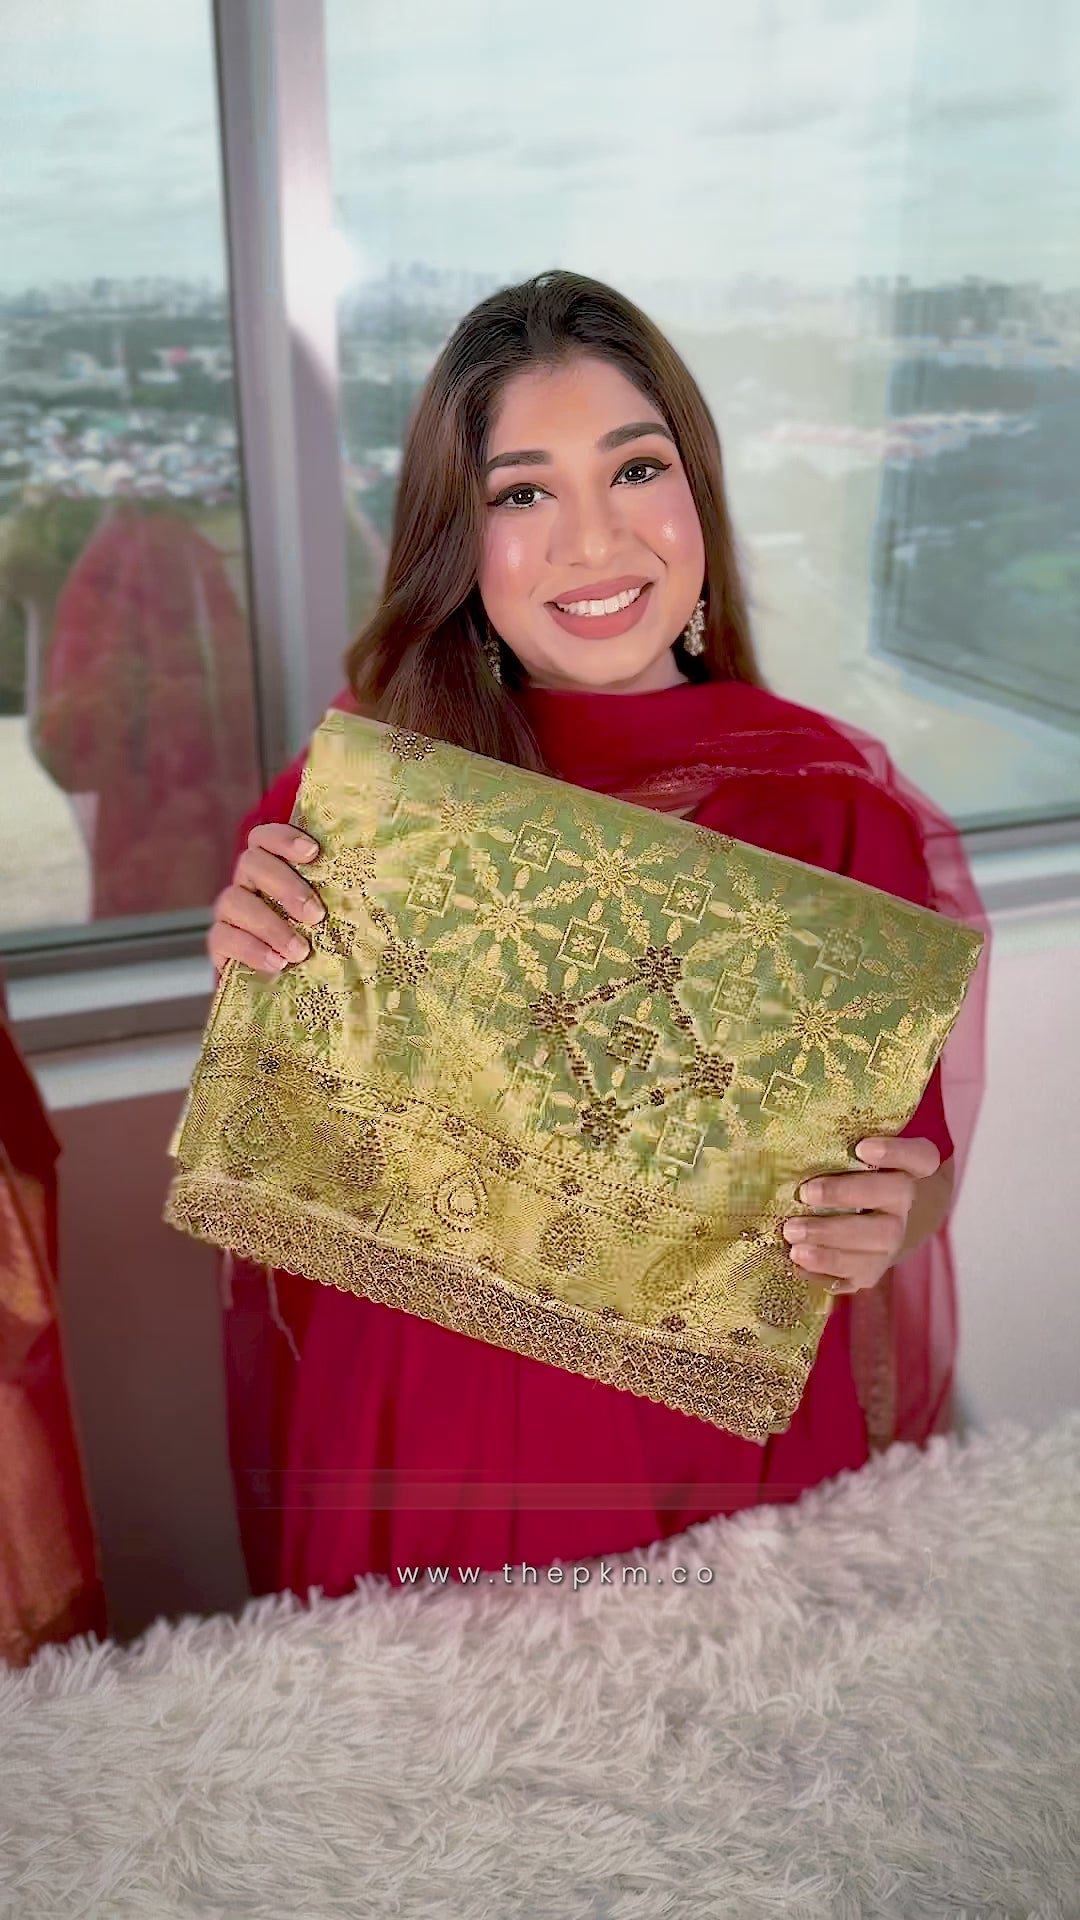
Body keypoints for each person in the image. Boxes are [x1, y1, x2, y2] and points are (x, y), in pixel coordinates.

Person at [206, 271, 986, 1597]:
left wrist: (894, 1218)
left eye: (634, 469)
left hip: (718, 1453)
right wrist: (247, 959)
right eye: (523, 493)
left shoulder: (836, 814)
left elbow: (915, 1176)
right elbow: (291, 1138)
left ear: (697, 493)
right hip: (426, 1435)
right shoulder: (364, 794)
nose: (593, 539)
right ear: (460, 538)